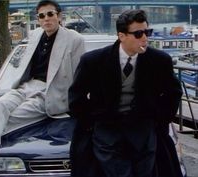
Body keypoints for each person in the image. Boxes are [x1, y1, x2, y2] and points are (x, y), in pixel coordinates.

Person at [0, 0, 85, 172]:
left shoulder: (74, 39)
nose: (46, 19)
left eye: (50, 14)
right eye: (42, 16)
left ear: (59, 16)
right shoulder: (34, 35)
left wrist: (78, 101)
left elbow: (80, 74)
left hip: (51, 91)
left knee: (8, 119)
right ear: (38, 19)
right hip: (27, 86)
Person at [69, 9, 183, 177]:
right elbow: (76, 98)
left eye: (147, 32)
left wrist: (158, 120)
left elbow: (173, 93)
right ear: (121, 36)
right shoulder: (93, 61)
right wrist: (93, 123)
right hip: (107, 133)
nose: (145, 37)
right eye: (138, 34)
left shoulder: (160, 60)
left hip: (144, 132)